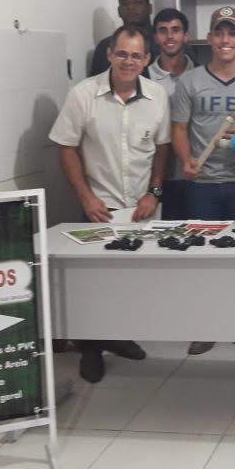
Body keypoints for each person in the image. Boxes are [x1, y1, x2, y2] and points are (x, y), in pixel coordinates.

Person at [49, 26, 170, 383]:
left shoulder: (158, 96)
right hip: (98, 208)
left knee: (130, 283)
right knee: (95, 283)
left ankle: (116, 336)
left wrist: (155, 192)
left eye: (136, 55)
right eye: (122, 53)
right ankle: (91, 349)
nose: (128, 61)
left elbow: (162, 148)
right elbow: (66, 147)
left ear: (146, 60)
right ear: (110, 55)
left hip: (142, 208)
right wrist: (85, 196)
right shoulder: (83, 95)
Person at [171, 5, 235, 365]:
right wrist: (186, 159)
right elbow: (179, 129)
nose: (225, 39)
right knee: (205, 260)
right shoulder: (189, 82)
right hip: (203, 185)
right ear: (210, 38)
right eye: (219, 32)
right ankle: (208, 326)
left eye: (232, 33)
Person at [148, 7, 195, 220]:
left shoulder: (201, 75)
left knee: (194, 233)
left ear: (186, 36)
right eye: (163, 30)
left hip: (191, 174)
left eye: (175, 30)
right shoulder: (142, 77)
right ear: (155, 37)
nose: (169, 36)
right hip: (153, 177)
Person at [90, 0, 153, 77]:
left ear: (150, 8)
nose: (130, 7)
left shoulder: (163, 42)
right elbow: (95, 83)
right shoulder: (105, 46)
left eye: (137, 2)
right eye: (125, 3)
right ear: (119, 11)